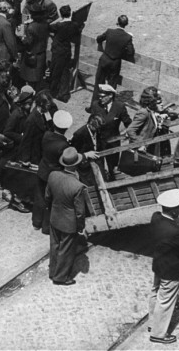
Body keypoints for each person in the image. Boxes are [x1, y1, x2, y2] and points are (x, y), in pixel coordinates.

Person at [148, 189, 179, 345]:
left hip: (158, 264)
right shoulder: (174, 231)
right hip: (171, 270)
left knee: (155, 292)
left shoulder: (156, 218)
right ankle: (158, 334)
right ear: (173, 210)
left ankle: (152, 324)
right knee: (166, 300)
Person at [45, 147, 87, 286]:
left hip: (55, 217)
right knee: (66, 250)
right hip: (69, 223)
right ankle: (61, 277)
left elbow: (47, 197)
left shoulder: (53, 175)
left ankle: (53, 271)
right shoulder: (77, 186)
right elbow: (80, 212)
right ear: (76, 164)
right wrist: (80, 227)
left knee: (55, 245)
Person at [89, 83, 132, 181]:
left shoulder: (119, 107)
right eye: (99, 96)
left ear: (110, 96)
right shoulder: (96, 105)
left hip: (113, 143)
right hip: (99, 142)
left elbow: (128, 123)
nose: (100, 99)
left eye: (103, 97)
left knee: (113, 167)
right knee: (99, 167)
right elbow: (91, 122)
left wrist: (128, 133)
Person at [93, 15, 134, 101]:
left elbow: (99, 39)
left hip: (104, 59)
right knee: (111, 86)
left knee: (99, 82)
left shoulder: (109, 31)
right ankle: (108, 106)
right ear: (126, 24)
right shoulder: (127, 37)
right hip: (115, 63)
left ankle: (94, 105)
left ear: (117, 23)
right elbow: (130, 52)